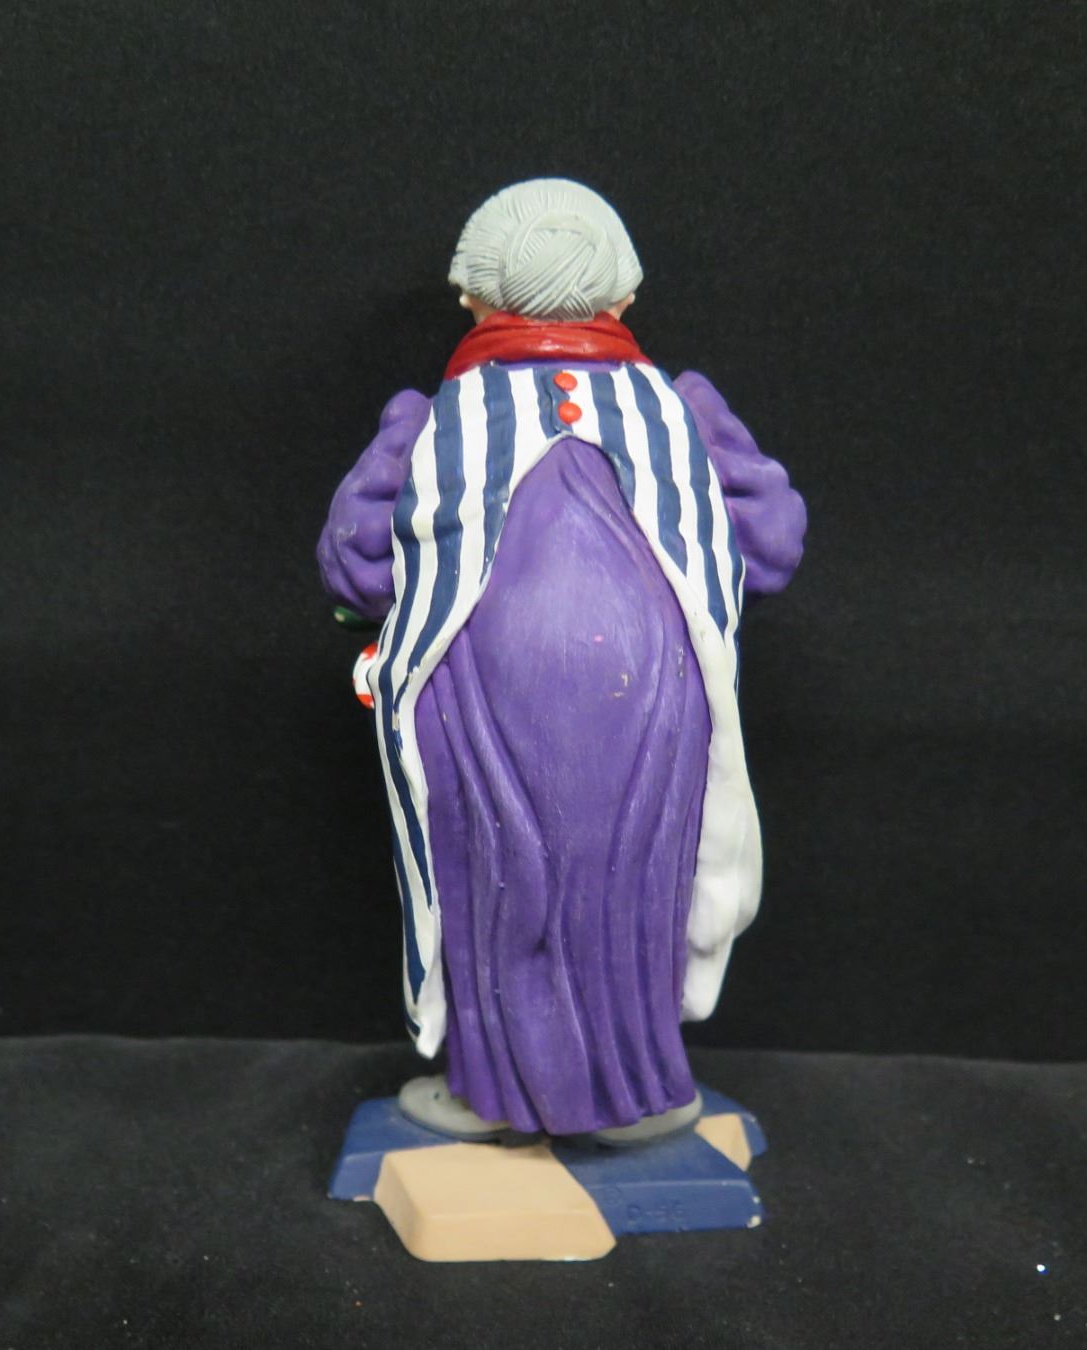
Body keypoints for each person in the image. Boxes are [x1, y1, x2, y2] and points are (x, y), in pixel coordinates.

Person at [317, 179, 806, 1143]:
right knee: (634, 870)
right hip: (654, 679)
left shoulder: (428, 422)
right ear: (625, 296)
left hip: (475, 676)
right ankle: (635, 1087)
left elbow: (357, 566)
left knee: (497, 873)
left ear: (470, 297)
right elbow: (770, 546)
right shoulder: (683, 412)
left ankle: (497, 1089)